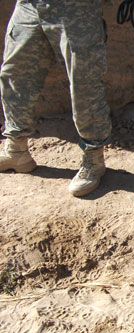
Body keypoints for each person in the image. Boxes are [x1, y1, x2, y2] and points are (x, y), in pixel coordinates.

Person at [0, 0, 112, 197]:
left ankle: (94, 159)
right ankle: (16, 150)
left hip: (76, 10)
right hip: (29, 6)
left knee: (84, 84)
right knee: (14, 74)